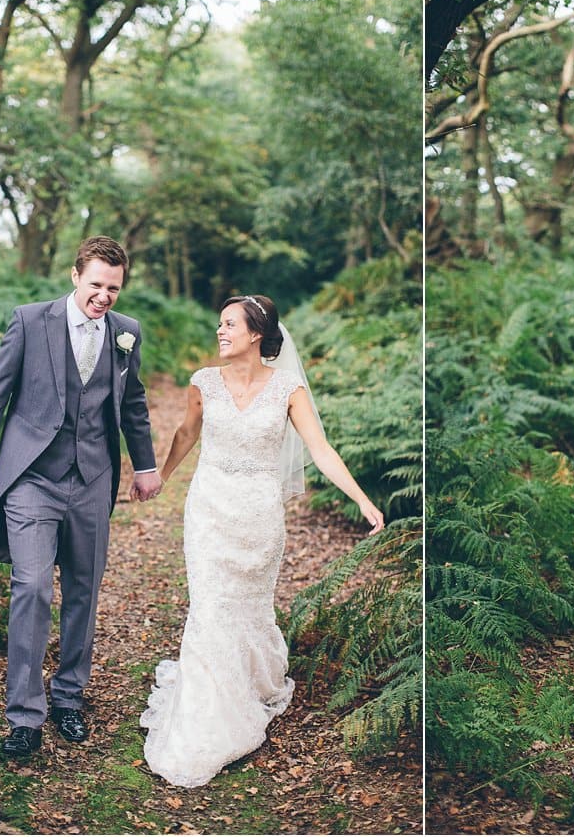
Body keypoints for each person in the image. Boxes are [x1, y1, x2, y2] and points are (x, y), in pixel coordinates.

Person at [140, 294, 385, 788]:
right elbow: (186, 435)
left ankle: (250, 682)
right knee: (209, 608)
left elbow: (321, 449)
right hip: (209, 510)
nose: (220, 331)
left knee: (248, 608)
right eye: (219, 324)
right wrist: (161, 476)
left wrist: (361, 498)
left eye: (229, 324)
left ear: (256, 333)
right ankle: (206, 720)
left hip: (258, 517)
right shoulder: (203, 383)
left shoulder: (288, 389)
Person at [0, 235, 162, 759]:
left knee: (83, 590)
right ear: (75, 276)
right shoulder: (30, 321)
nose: (104, 296)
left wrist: (145, 465)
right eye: (96, 284)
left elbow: (133, 403)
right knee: (31, 588)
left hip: (93, 480)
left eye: (113, 288)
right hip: (32, 478)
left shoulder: (127, 335)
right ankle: (25, 714)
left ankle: (69, 697)